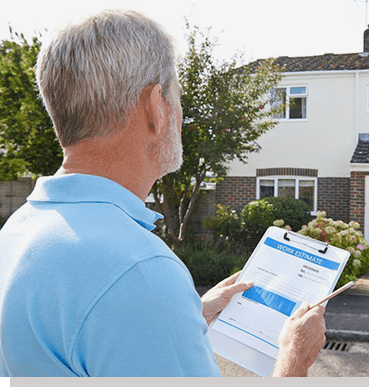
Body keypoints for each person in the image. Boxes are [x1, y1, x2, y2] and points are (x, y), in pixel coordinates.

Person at [0, 9, 326, 377]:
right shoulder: (139, 273)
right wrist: (293, 361)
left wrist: (185, 314)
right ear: (155, 107)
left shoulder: (16, 232)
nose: (182, 115)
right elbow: (123, 295)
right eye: (177, 97)